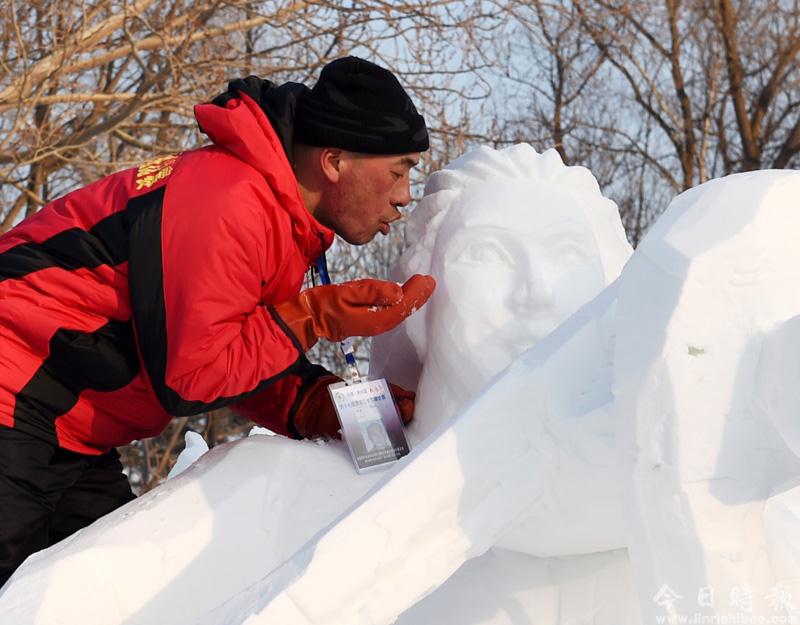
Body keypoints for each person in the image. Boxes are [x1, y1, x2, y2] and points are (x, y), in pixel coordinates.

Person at [0, 56, 435, 586]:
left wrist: (317, 403)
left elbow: (229, 349)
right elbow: (193, 376)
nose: (404, 195)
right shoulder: (228, 198)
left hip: (68, 425)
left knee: (107, 592)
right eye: (399, 170)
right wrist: (315, 315)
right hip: (14, 387)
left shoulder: (275, 220)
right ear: (335, 160)